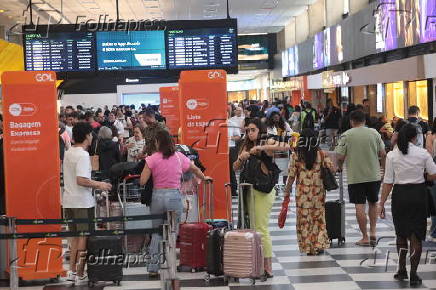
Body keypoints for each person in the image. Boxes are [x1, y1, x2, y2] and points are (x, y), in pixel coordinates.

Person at [139, 129, 211, 275]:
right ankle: (171, 267)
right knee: (172, 232)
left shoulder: (152, 158)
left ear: (158, 143)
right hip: (174, 196)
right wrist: (204, 178)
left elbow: (142, 181)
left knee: (157, 233)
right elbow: (195, 169)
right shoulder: (179, 157)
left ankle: (153, 268)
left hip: (158, 197)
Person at [378, 123, 436, 286]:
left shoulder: (392, 155)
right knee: (416, 235)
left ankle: (401, 269)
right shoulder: (423, 153)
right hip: (418, 194)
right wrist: (424, 177)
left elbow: (388, 182)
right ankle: (414, 273)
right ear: (415, 137)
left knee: (401, 234)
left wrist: (381, 204)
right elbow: (433, 174)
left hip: (400, 195)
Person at [62, 122, 112, 284]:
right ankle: (80, 272)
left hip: (69, 201)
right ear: (86, 136)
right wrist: (100, 185)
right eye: (90, 134)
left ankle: (71, 271)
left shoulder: (68, 152)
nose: (92, 137)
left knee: (75, 237)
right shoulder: (82, 155)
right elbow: (81, 180)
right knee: (84, 238)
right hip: (82, 202)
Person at [232, 118, 280, 278]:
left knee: (261, 227)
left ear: (260, 130)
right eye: (248, 130)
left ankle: (267, 266)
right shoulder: (245, 144)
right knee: (251, 227)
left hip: (263, 190)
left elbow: (283, 145)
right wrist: (242, 157)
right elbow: (234, 167)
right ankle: (256, 263)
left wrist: (260, 147)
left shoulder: (267, 140)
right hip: (247, 189)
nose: (250, 133)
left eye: (253, 130)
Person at [335, 110, 386, 246]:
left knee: (359, 206)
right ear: (365, 120)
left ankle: (365, 237)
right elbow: (383, 153)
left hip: (355, 177)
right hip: (374, 175)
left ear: (352, 121)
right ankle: (373, 232)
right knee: (373, 203)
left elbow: (339, 156)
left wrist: (339, 166)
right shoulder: (374, 133)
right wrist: (384, 170)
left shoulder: (346, 135)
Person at [284, 128, 333, 255]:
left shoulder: (296, 155)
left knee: (304, 219)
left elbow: (291, 175)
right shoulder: (321, 154)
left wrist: (287, 191)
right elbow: (331, 169)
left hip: (302, 194)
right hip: (319, 192)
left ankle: (307, 247)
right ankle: (318, 244)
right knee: (318, 218)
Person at [228, 119, 241, 197]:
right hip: (219, 148)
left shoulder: (232, 123)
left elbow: (238, 136)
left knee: (231, 169)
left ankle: (233, 189)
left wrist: (230, 137)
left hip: (231, 148)